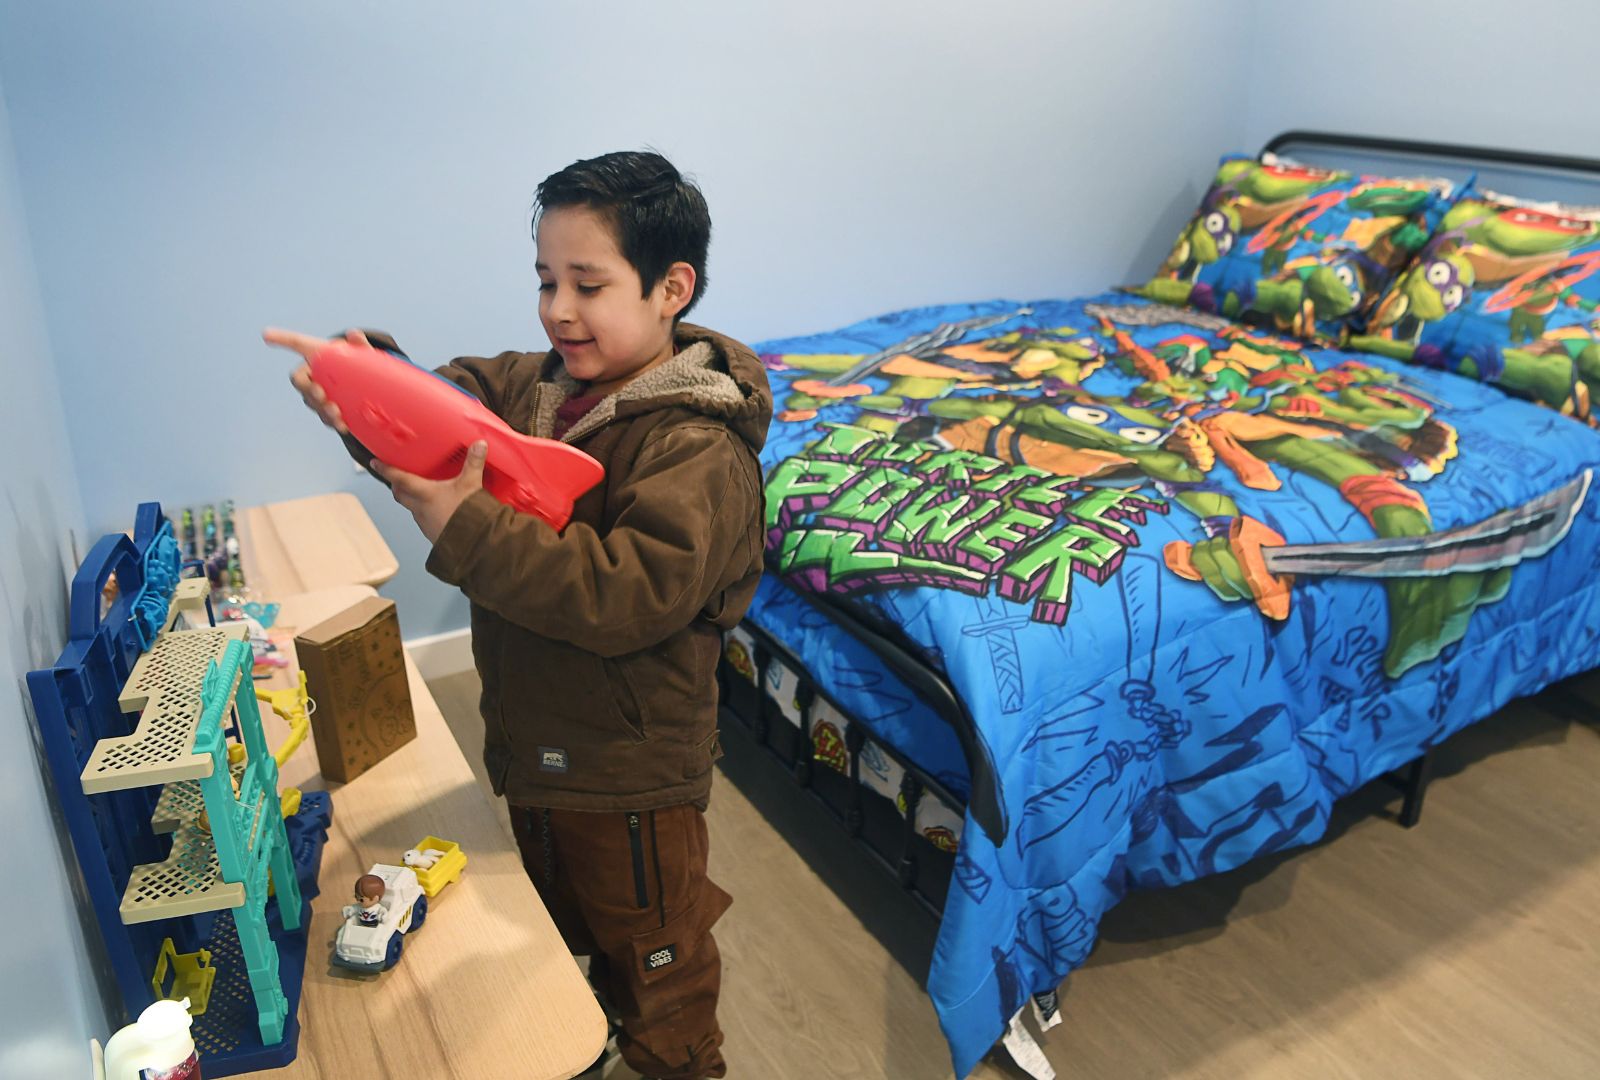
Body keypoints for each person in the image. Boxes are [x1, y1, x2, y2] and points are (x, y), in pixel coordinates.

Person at [266, 151, 770, 1080]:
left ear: (672, 288)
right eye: (545, 280)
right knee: (555, 921)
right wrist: (369, 388)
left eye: (588, 283)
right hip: (538, 743)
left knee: (655, 956)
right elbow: (447, 406)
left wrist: (467, 524)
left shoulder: (697, 447)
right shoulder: (538, 387)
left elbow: (624, 595)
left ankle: (674, 1063)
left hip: (632, 775)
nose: (558, 309)